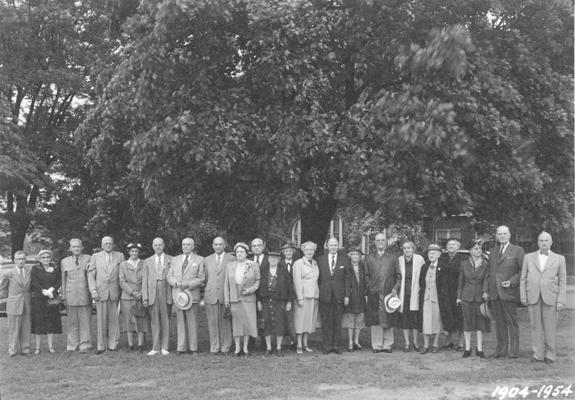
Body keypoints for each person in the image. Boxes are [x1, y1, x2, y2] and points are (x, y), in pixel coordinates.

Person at [520, 232, 567, 364]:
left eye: (546, 240)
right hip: (533, 297)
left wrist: (561, 300)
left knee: (550, 327)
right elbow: (523, 278)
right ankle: (538, 354)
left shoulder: (560, 259)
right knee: (535, 327)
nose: (544, 243)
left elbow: (563, 282)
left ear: (551, 242)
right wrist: (523, 296)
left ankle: (550, 355)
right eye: (541, 240)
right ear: (537, 242)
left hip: (551, 297)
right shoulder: (528, 257)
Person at [485, 225, 525, 359]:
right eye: (499, 234)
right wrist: (487, 291)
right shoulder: (493, 251)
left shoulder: (518, 250)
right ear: (496, 236)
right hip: (495, 293)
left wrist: (512, 281)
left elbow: (522, 271)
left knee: (512, 323)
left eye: (504, 233)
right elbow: (489, 273)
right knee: (500, 323)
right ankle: (501, 350)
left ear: (509, 235)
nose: (502, 236)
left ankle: (514, 352)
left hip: (509, 292)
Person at [167, 237, 205, 355]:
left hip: (192, 296)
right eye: (183, 244)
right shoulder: (175, 259)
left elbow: (202, 278)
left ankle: (193, 348)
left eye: (188, 245)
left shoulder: (200, 260)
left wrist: (188, 284)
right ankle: (181, 348)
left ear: (193, 246)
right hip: (179, 296)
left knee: (192, 322)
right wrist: (176, 283)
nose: (185, 246)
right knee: (180, 322)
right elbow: (169, 276)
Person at [365, 233, 401, 353]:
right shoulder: (369, 258)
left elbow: (398, 276)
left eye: (382, 240)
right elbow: (365, 275)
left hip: (388, 293)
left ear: (386, 242)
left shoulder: (392, 258)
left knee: (388, 319)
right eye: (378, 240)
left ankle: (388, 345)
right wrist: (370, 287)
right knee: (375, 319)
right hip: (374, 293)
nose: (380, 242)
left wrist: (395, 288)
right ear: (374, 242)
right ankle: (377, 345)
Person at [88, 236, 124, 354]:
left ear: (113, 244)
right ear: (102, 245)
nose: (108, 245)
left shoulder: (120, 256)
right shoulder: (95, 257)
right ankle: (101, 345)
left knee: (114, 320)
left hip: (114, 292)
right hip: (100, 292)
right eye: (106, 243)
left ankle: (113, 345)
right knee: (101, 320)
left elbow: (123, 274)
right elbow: (91, 275)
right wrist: (93, 290)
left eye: (110, 243)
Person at [224, 242, 260, 357]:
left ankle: (245, 348)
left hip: (248, 299)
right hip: (234, 299)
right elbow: (226, 284)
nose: (239, 254)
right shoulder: (230, 265)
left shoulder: (253, 265)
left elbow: (258, 281)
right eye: (237, 252)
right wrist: (227, 298)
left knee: (246, 324)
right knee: (237, 324)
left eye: (241, 252)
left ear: (246, 253)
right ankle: (237, 348)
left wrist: (250, 290)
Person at [457, 239, 490, 358]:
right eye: (475, 249)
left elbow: (487, 279)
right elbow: (461, 281)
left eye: (480, 249)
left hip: (480, 297)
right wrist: (458, 297)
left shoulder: (486, 263)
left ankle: (479, 349)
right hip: (466, 296)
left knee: (480, 323)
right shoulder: (464, 263)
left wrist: (486, 292)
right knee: (467, 322)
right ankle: (467, 348)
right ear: (470, 251)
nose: (478, 251)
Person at [257, 251, 293, 356]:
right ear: (268, 259)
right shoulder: (263, 270)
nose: (273, 260)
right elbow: (258, 287)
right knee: (267, 323)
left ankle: (278, 348)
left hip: (280, 300)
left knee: (280, 323)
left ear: (278, 260)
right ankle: (268, 347)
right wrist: (259, 301)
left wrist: (289, 301)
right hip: (266, 300)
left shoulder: (284, 271)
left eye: (275, 258)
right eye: (271, 258)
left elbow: (290, 287)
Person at [317, 237, 350, 355]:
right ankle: (326, 346)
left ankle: (336, 346)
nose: (333, 247)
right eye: (331, 245)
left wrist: (347, 295)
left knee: (337, 322)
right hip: (324, 295)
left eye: (335, 245)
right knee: (326, 322)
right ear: (327, 246)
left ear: (338, 246)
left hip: (339, 296)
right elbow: (317, 279)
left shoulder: (345, 260)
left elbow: (348, 279)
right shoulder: (320, 260)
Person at [203, 236, 235, 354]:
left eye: (220, 244)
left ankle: (226, 346)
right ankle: (215, 347)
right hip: (210, 295)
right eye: (215, 244)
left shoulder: (231, 259)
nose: (218, 246)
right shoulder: (207, 260)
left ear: (224, 245)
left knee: (225, 322)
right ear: (212, 246)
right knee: (212, 322)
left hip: (225, 295)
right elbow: (204, 278)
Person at [142, 237, 173, 356]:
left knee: (165, 320)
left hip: (166, 293)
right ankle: (155, 347)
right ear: (152, 246)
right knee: (154, 321)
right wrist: (145, 297)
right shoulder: (147, 261)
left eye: (160, 245)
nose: (158, 247)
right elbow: (144, 281)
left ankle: (165, 347)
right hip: (152, 294)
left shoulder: (171, 259)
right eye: (156, 245)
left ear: (164, 245)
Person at [61, 238, 92, 352]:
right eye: (74, 247)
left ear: (82, 247)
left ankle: (85, 344)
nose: (76, 248)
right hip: (71, 295)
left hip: (85, 294)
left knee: (85, 321)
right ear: (70, 248)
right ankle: (72, 345)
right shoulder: (64, 261)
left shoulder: (89, 258)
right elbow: (63, 280)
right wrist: (64, 296)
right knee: (72, 322)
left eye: (78, 246)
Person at [119, 242, 150, 352]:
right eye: (132, 251)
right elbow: (122, 281)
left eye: (136, 251)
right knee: (128, 320)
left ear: (139, 252)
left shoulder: (144, 263)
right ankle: (131, 345)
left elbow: (146, 279)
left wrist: (141, 292)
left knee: (141, 319)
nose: (134, 253)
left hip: (141, 296)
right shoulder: (123, 265)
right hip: (127, 296)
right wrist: (132, 292)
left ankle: (141, 344)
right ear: (128, 252)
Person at [30, 249, 62, 354]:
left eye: (48, 257)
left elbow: (59, 280)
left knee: (51, 322)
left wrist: (52, 289)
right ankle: (37, 348)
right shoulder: (35, 268)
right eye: (43, 257)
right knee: (38, 322)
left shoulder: (56, 268)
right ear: (40, 259)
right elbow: (34, 282)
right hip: (39, 298)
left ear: (51, 258)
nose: (46, 259)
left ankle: (50, 347)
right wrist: (44, 291)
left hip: (52, 298)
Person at [0, 251, 31, 357]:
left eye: (23, 259)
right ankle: (12, 350)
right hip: (13, 305)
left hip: (26, 304)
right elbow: (3, 289)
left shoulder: (29, 271)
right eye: (18, 259)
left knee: (25, 328)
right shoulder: (8, 274)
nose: (21, 261)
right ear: (14, 260)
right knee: (13, 329)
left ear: (25, 260)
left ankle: (25, 350)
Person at [292, 241, 320, 354]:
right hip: (303, 296)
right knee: (300, 320)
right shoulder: (298, 263)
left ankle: (305, 343)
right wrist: (299, 297)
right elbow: (297, 281)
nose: (309, 252)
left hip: (314, 295)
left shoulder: (315, 263)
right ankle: (298, 344)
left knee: (309, 321)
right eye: (307, 250)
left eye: (311, 250)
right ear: (303, 251)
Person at [398, 241, 424, 352]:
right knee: (405, 320)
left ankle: (415, 342)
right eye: (404, 248)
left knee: (414, 320)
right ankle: (407, 343)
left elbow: (423, 276)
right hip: (403, 294)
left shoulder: (419, 259)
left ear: (413, 249)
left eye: (409, 248)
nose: (406, 250)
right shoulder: (399, 260)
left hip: (415, 293)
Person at [438, 239, 464, 350]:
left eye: (453, 244)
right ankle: (448, 341)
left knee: (460, 317)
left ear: (458, 247)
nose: (451, 246)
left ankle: (461, 342)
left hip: (457, 292)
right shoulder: (442, 258)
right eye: (449, 244)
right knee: (447, 316)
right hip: (444, 292)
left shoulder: (463, 259)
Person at [418, 244, 443, 354]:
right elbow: (420, 281)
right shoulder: (425, 266)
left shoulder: (443, 266)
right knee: (426, 321)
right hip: (426, 298)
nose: (431, 255)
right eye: (429, 253)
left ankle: (435, 344)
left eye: (433, 253)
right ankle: (426, 345)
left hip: (437, 298)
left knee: (437, 321)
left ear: (439, 254)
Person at [342, 247, 367, 352]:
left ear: (360, 257)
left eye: (357, 254)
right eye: (353, 254)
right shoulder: (346, 267)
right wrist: (347, 296)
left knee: (359, 320)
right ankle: (350, 342)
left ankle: (356, 341)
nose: (355, 256)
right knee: (351, 321)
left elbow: (366, 281)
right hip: (351, 297)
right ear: (349, 256)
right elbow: (346, 283)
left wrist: (366, 294)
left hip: (360, 296)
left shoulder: (362, 267)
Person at [279, 241, 297, 348]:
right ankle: (282, 340)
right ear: (283, 252)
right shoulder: (280, 263)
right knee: (282, 318)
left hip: (294, 293)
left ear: (293, 252)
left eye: (290, 250)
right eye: (286, 251)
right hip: (282, 294)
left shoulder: (298, 262)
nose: (288, 252)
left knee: (292, 318)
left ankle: (293, 340)